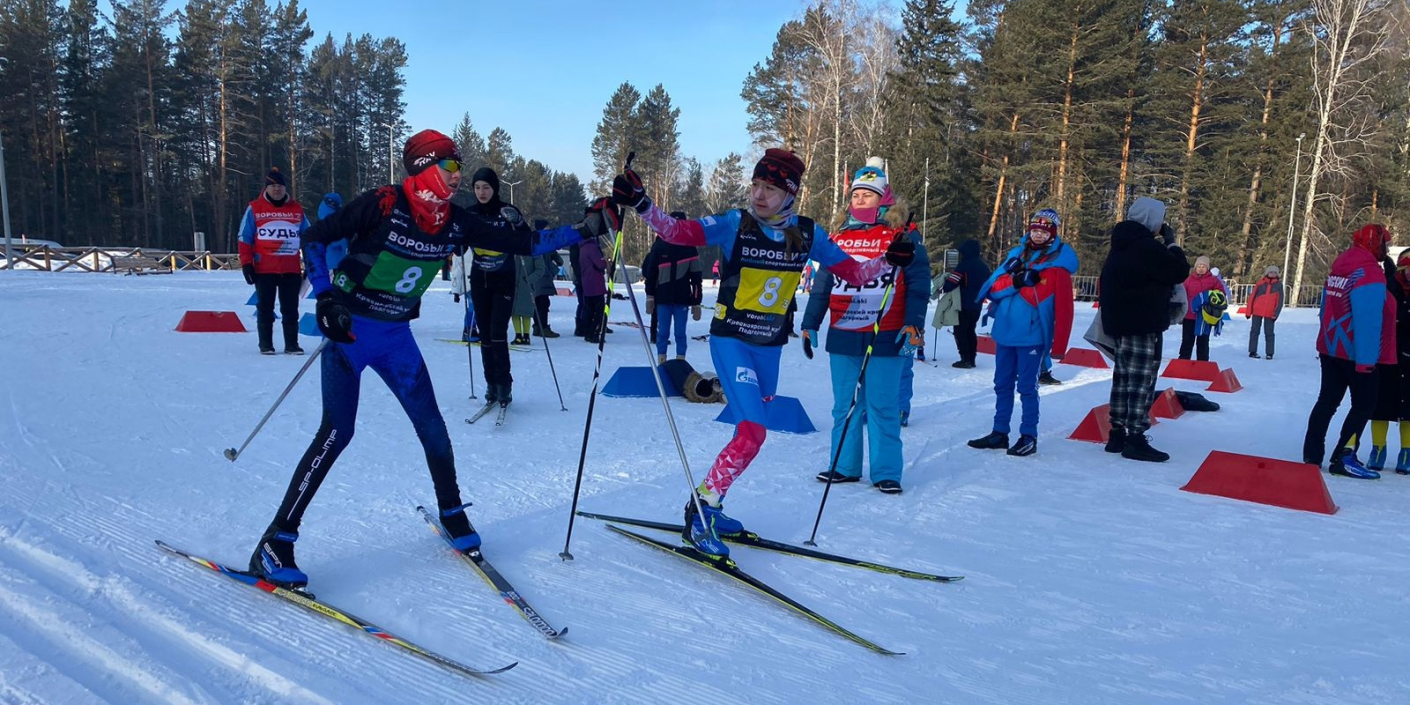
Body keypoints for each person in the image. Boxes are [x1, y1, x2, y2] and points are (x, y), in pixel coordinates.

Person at [247, 129, 617, 588]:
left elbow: (521, 241)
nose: (458, 176)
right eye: (450, 166)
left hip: (395, 338)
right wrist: (325, 299)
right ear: (424, 167)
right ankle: (276, 540)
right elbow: (317, 238)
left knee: (433, 426)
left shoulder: (456, 221)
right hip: (350, 335)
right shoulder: (384, 202)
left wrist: (586, 228)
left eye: (459, 167)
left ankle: (452, 512)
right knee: (337, 433)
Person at [611, 148, 915, 559]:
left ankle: (712, 507)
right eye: (756, 185)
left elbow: (854, 272)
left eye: (770, 188)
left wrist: (886, 262)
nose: (758, 194)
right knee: (754, 430)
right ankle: (702, 510)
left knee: (748, 435)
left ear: (789, 194)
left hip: (769, 348)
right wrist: (642, 203)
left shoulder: (810, 234)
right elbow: (678, 232)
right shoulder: (735, 223)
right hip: (731, 339)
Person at [801, 159, 929, 493]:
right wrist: (810, 322)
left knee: (882, 405)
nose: (859, 200)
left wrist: (914, 324)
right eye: (855, 194)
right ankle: (843, 465)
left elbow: (918, 283)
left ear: (883, 198)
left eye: (867, 194)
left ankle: (887, 471)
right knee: (843, 405)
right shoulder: (838, 236)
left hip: (886, 333)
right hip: (843, 333)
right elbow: (822, 284)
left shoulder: (902, 235)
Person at [966, 209, 1076, 457]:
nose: (1037, 235)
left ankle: (1028, 435)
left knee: (1027, 387)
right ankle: (999, 432)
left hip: (1032, 336)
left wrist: (1059, 346)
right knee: (1002, 384)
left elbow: (1065, 309)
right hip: (1005, 332)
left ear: (1052, 233)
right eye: (1034, 229)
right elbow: (992, 290)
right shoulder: (1016, 255)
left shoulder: (1057, 267)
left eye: (1043, 231)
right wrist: (1015, 281)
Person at [1099, 197, 1190, 462]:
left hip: (1120, 322)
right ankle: (1135, 437)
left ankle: (1116, 433)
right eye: (1160, 218)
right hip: (1142, 322)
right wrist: (1171, 242)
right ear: (1152, 219)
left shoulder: (1121, 243)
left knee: (1123, 377)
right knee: (1141, 380)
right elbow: (1178, 270)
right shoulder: (1145, 247)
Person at [1304, 224, 1395, 479]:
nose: (1386, 249)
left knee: (1327, 401)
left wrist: (1325, 340)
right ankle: (1344, 456)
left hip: (1331, 347)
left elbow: (1326, 309)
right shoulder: (1369, 273)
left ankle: (1312, 454)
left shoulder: (1341, 265)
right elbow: (1369, 320)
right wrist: (1367, 361)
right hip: (1356, 353)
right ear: (1375, 244)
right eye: (1384, 243)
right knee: (1364, 405)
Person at [466, 167, 526, 403]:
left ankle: (504, 384)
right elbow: (458, 238)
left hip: (503, 279)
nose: (481, 192)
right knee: (485, 336)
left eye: (486, 187)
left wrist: (518, 222)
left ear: (495, 188)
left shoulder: (506, 212)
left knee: (498, 333)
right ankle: (491, 383)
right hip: (479, 279)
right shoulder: (469, 213)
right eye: (477, 187)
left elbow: (525, 238)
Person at [238, 167, 310, 355]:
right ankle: (266, 344)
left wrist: (310, 262)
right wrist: (246, 264)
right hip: (264, 269)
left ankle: (292, 344)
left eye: (280, 186)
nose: (277, 189)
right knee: (265, 307)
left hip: (290, 269)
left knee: (290, 309)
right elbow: (244, 237)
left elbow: (309, 237)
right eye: (273, 186)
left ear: (285, 188)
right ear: (266, 188)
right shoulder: (254, 208)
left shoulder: (297, 209)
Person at [644, 210, 704, 363]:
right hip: (662, 298)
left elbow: (696, 278)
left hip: (681, 299)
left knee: (680, 334)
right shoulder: (659, 246)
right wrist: (649, 295)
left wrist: (697, 301)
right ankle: (661, 361)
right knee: (662, 332)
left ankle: (680, 362)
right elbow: (651, 274)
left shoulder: (690, 248)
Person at [942, 239, 989, 368]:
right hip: (977, 304)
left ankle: (965, 358)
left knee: (960, 331)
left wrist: (944, 285)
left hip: (962, 303)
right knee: (970, 330)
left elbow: (951, 283)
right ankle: (972, 358)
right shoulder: (984, 266)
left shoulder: (964, 265)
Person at [1179, 255, 1223, 361]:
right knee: (1187, 340)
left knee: (1203, 341)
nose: (1201, 268)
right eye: (1199, 266)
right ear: (1195, 267)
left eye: (1204, 266)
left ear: (1207, 268)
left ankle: (1202, 362)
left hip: (1205, 317)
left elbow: (1221, 294)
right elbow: (1182, 294)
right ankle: (1183, 361)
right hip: (1189, 315)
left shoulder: (1213, 281)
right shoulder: (1189, 280)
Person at [532, 219, 563, 339]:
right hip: (543, 275)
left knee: (538, 301)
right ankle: (543, 327)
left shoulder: (533, 240)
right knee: (544, 303)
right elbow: (555, 257)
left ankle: (537, 326)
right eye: (546, 227)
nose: (548, 229)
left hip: (535, 274)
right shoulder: (545, 240)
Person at [578, 226, 609, 344]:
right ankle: (594, 333)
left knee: (589, 309)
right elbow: (600, 264)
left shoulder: (582, 247)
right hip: (595, 283)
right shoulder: (592, 248)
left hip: (587, 282)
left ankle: (587, 331)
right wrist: (606, 261)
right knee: (599, 310)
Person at [1246, 265, 1283, 359]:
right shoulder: (1260, 284)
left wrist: (1276, 314)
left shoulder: (1279, 285)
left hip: (1270, 313)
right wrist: (1248, 312)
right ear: (1267, 273)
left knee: (1269, 333)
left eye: (1275, 273)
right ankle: (1252, 351)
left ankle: (1269, 353)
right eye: (1271, 272)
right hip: (1257, 311)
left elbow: (1280, 301)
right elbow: (1252, 298)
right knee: (1254, 332)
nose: (1272, 274)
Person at [512, 243, 544, 346]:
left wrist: (529, 279)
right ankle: (518, 335)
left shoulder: (535, 251)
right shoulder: (513, 249)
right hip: (513, 285)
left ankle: (526, 336)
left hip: (526, 286)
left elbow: (540, 269)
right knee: (514, 312)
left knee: (526, 312)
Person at [448, 249, 479, 342]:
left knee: (478, 308)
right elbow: (456, 272)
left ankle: (473, 329)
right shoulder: (461, 250)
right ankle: (468, 331)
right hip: (469, 284)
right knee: (473, 308)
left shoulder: (478, 248)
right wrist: (456, 292)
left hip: (480, 282)